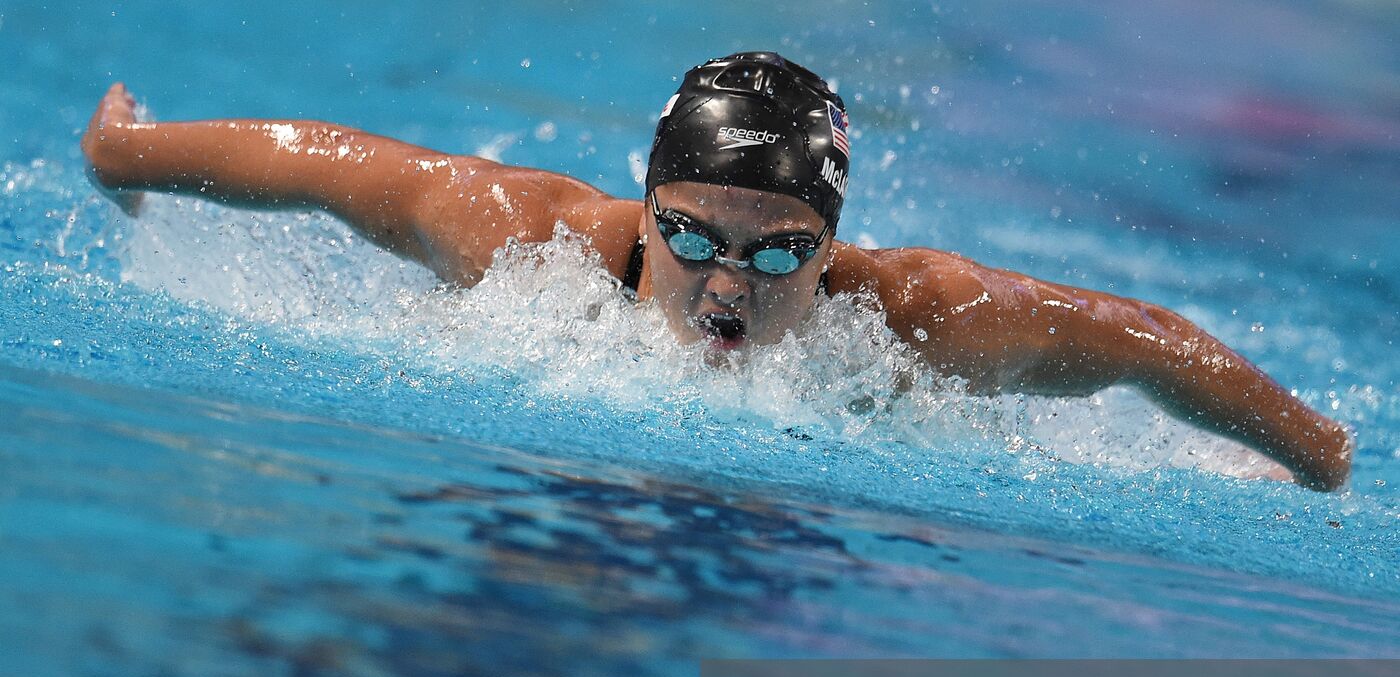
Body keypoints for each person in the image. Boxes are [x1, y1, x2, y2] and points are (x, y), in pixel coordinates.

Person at [80, 52, 1353, 491]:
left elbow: (1143, 340)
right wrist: (125, 151)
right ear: (647, 204)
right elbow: (324, 162)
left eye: (780, 249)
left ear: (832, 247)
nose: (726, 282)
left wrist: (1316, 453)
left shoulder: (919, 318)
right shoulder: (527, 242)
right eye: (689, 235)